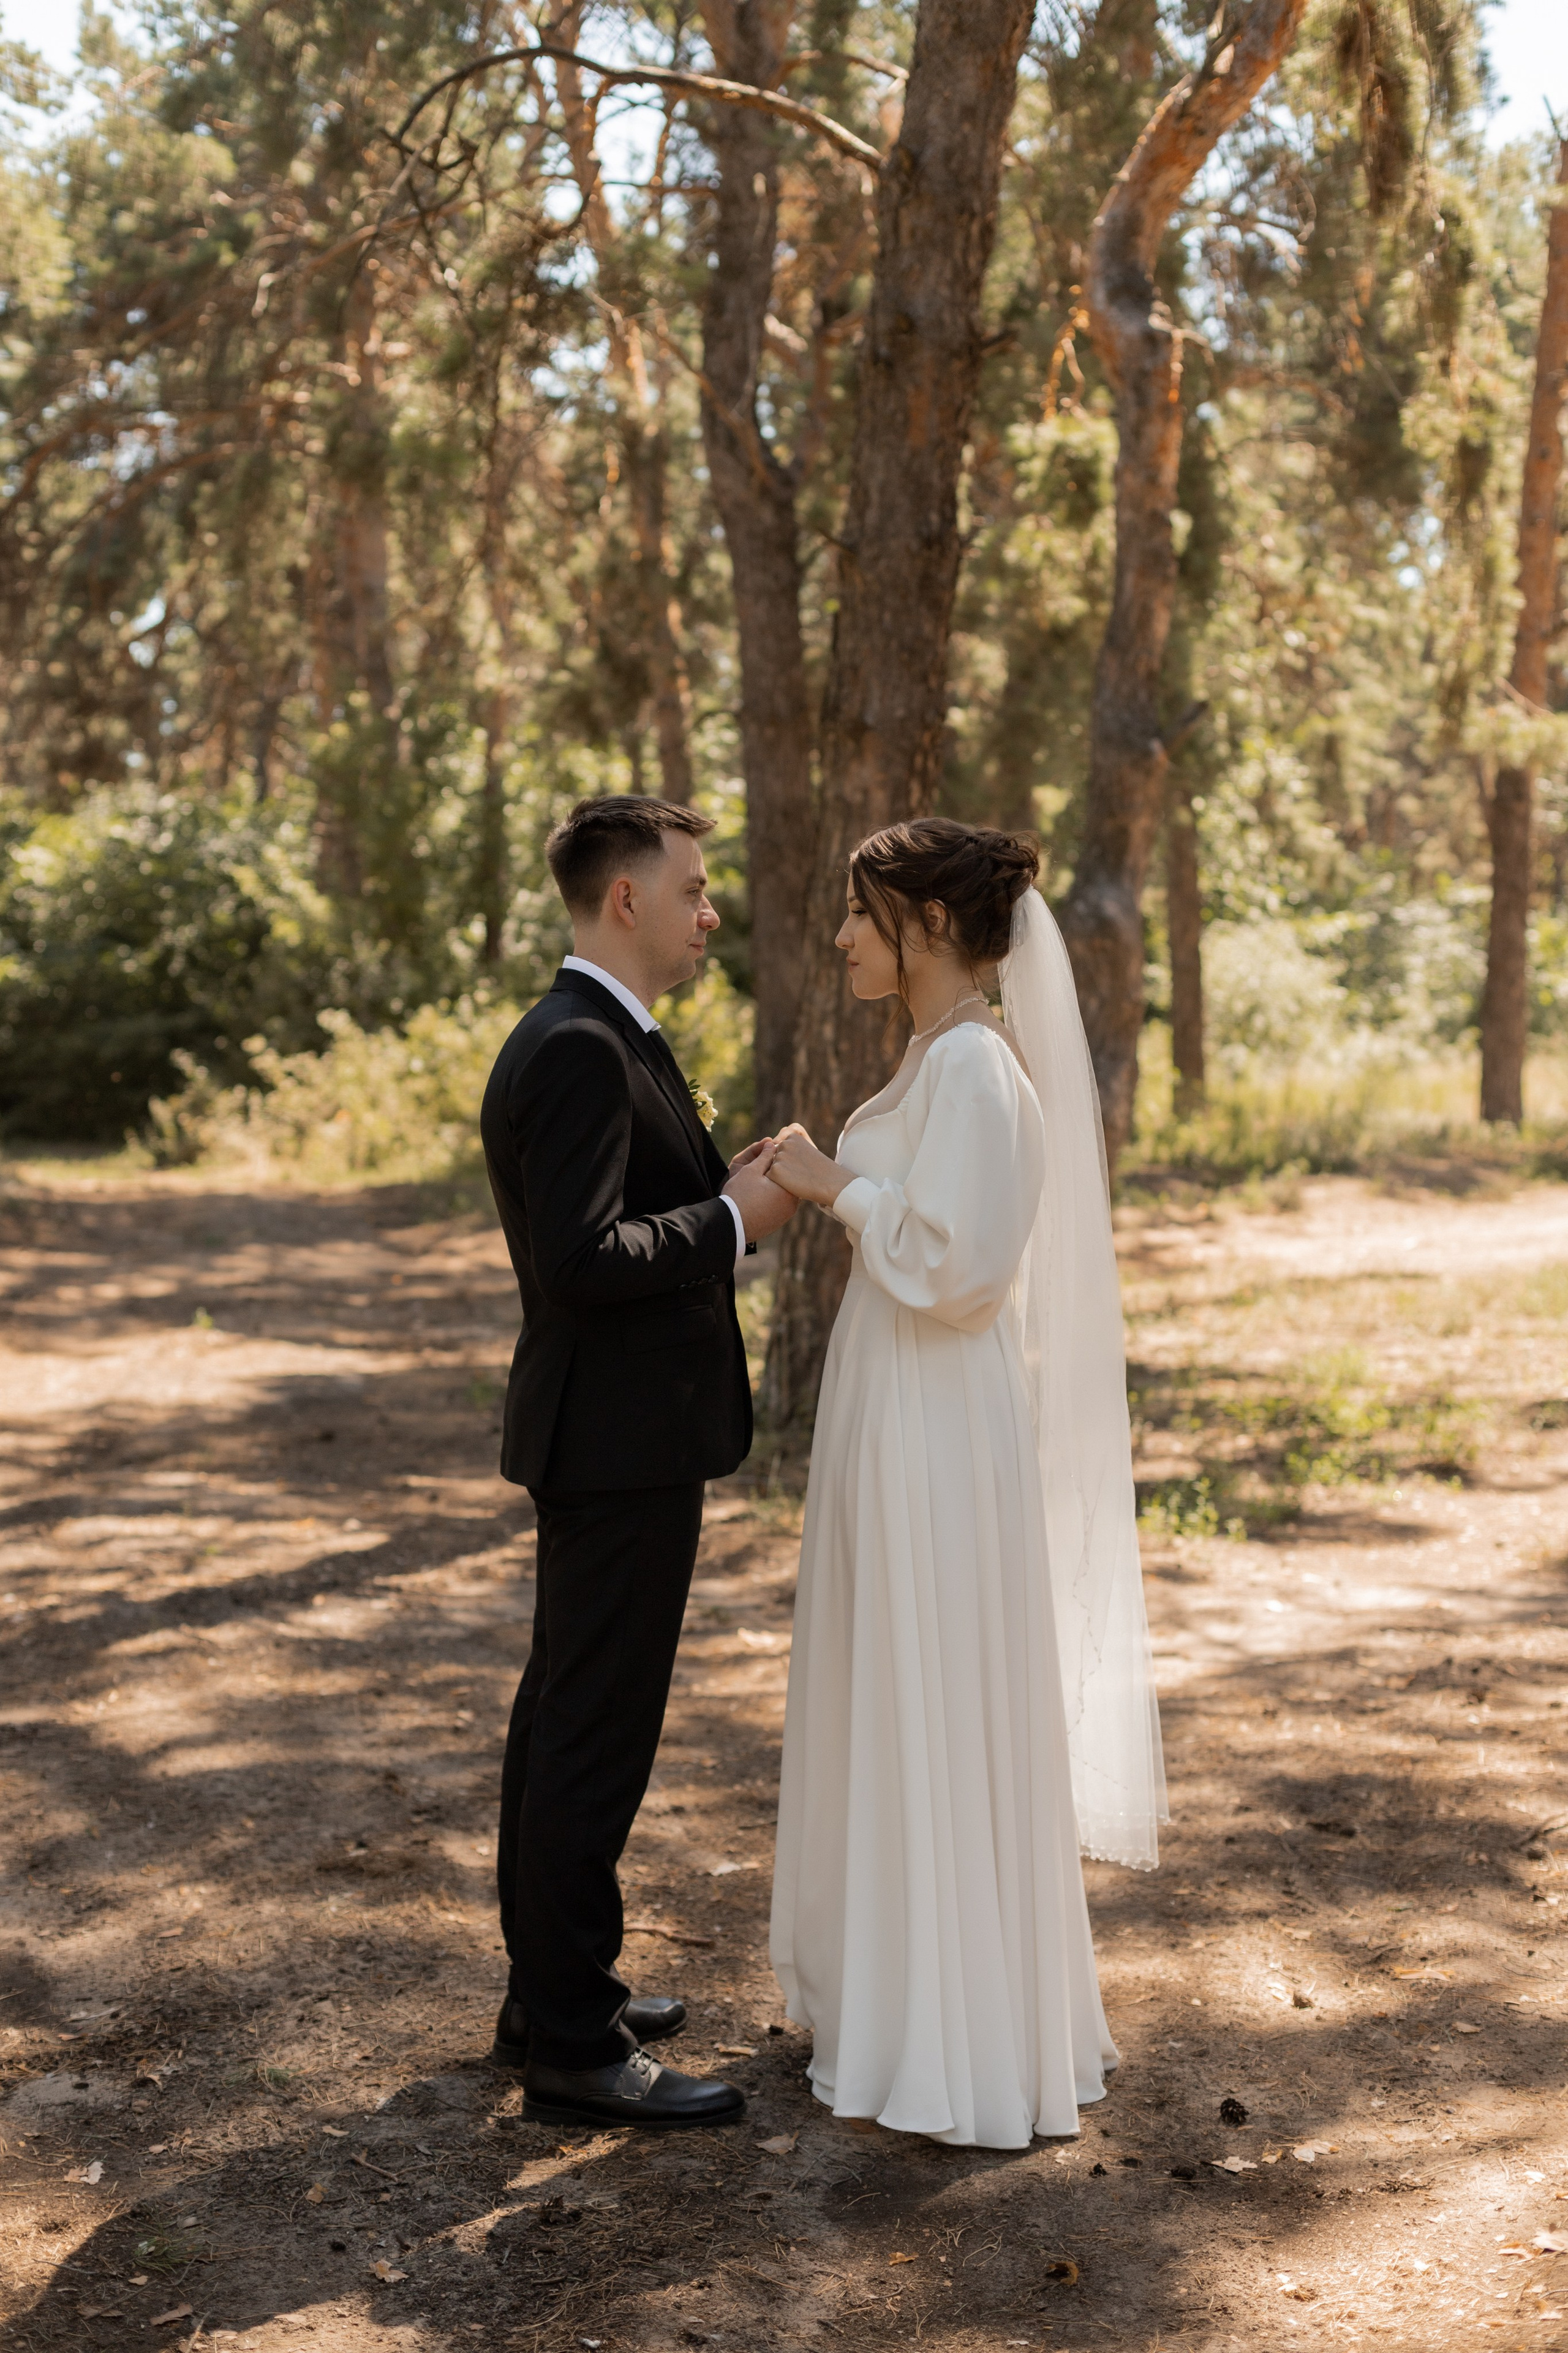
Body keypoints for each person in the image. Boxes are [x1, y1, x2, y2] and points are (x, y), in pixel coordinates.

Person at [764, 817, 1167, 2150]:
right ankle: (894, 1997)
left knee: (933, 1684)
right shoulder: (930, 1064)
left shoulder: (980, 1073)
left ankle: (955, 2031)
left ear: (929, 926)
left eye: (860, 917)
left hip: (940, 1427)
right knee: (892, 1684)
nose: (839, 940)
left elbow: (962, 1271)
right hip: (896, 1414)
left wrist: (833, 1189)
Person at [480, 794, 796, 2130]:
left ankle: (554, 1990)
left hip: (619, 1435)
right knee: (591, 1738)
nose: (709, 910)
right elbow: (577, 1262)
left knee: (564, 1719)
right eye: (694, 888)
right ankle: (570, 2047)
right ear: (626, 899)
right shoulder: (575, 1048)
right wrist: (730, 1220)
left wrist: (723, 1187)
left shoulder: (609, 1038)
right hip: (615, 1444)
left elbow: (611, 1218)